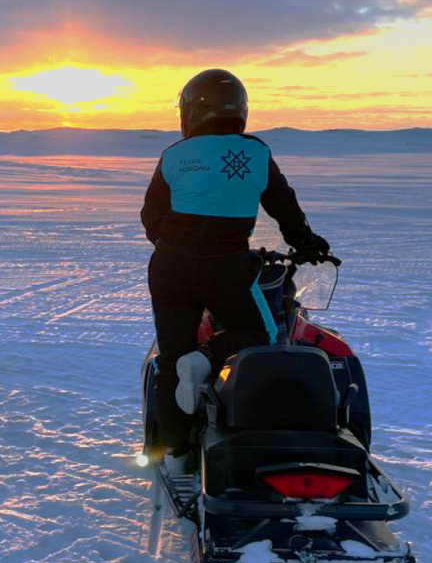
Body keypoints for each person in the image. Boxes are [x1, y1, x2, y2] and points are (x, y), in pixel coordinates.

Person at [141, 69, 330, 470]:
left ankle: (175, 454)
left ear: (191, 110)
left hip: (170, 267)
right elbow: (285, 210)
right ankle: (210, 358)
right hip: (227, 266)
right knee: (262, 334)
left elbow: (150, 217)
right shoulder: (256, 153)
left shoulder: (174, 155)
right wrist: (307, 244)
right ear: (240, 110)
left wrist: (177, 245)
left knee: (173, 358)